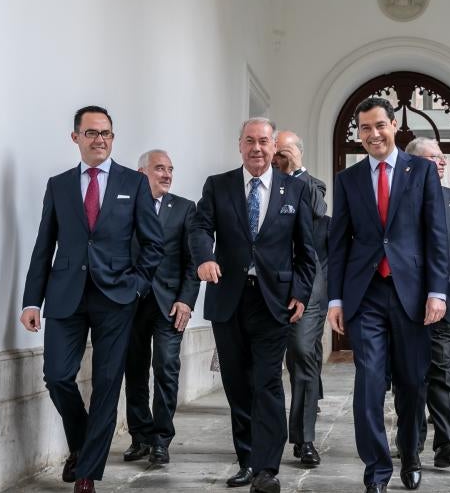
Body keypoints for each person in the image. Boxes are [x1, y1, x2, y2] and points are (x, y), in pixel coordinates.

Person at [20, 106, 164, 493]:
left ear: (113, 138)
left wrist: (136, 285)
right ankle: (83, 443)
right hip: (65, 295)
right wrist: (31, 301)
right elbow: (43, 245)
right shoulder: (59, 184)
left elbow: (153, 245)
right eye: (91, 133)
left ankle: (87, 472)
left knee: (106, 383)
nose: (100, 140)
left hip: (116, 297)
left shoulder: (133, 183)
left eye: (106, 133)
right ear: (75, 138)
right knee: (58, 376)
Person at [327, 97, 449, 493]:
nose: (373, 134)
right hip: (366, 296)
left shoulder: (422, 172)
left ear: (394, 125)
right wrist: (335, 300)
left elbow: (436, 235)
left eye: (379, 125)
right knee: (369, 381)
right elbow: (338, 243)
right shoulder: (349, 179)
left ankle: (411, 453)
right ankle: (376, 470)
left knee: (413, 382)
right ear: (359, 134)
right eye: (364, 128)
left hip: (412, 294)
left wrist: (437, 291)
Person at [189, 117, 317, 493]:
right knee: (237, 383)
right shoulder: (218, 185)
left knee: (267, 382)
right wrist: (203, 257)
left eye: (263, 141)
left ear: (274, 145)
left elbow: (306, 250)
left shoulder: (294, 189)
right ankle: (246, 460)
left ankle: (266, 468)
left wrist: (301, 292)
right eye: (249, 141)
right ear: (239, 145)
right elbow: (199, 228)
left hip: (272, 301)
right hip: (228, 296)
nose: (257, 148)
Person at [122, 150, 200, 465]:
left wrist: (186, 300)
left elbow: (192, 260)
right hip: (130, 304)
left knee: (167, 367)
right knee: (134, 369)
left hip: (169, 304)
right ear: (142, 174)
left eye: (170, 169)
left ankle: (161, 439)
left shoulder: (184, 208)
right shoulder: (123, 205)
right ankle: (140, 436)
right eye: (159, 169)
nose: (167, 174)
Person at [401, 137, 450, 467]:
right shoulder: (397, 201)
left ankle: (448, 443)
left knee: (443, 370)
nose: (442, 162)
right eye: (433, 157)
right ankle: (411, 444)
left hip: (445, 306)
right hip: (403, 307)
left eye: (442, 157)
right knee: (411, 377)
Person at [272, 130, 329, 466]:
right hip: (267, 284)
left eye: (284, 150)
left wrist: (296, 171)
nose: (278, 156)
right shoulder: (261, 185)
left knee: (303, 351)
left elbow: (318, 212)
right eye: (275, 150)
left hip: (307, 283)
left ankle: (304, 439)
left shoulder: (312, 184)